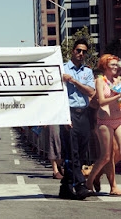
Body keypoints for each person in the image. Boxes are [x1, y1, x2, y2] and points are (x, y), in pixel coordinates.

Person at [59, 39, 95, 200]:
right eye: (78, 50)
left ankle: (65, 188)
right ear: (73, 51)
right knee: (71, 151)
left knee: (81, 152)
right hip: (69, 113)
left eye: (84, 51)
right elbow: (57, 95)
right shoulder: (62, 69)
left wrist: (73, 80)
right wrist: (64, 117)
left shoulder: (87, 72)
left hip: (84, 114)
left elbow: (90, 92)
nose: (81, 54)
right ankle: (80, 186)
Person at [86, 54, 121, 195]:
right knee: (106, 156)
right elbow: (101, 102)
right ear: (105, 66)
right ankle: (90, 181)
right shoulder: (100, 81)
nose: (116, 67)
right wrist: (117, 96)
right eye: (113, 65)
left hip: (118, 119)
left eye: (117, 64)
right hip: (104, 121)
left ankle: (100, 176)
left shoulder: (119, 80)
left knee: (118, 152)